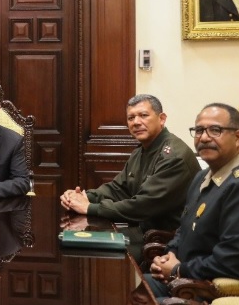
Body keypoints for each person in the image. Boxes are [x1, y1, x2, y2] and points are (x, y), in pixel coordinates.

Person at [147, 103, 239, 298]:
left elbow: (235, 261)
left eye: (215, 130)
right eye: (199, 130)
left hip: (210, 290)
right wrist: (170, 254)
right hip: (184, 279)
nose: (204, 138)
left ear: (238, 138)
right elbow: (184, 229)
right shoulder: (202, 176)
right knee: (124, 289)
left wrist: (179, 269)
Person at [60, 94, 200, 234]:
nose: (136, 122)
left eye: (143, 115)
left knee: (90, 241)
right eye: (131, 118)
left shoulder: (173, 157)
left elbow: (143, 206)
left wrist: (90, 208)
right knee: (75, 237)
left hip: (166, 238)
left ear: (161, 119)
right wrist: (84, 196)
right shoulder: (141, 150)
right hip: (144, 229)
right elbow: (119, 189)